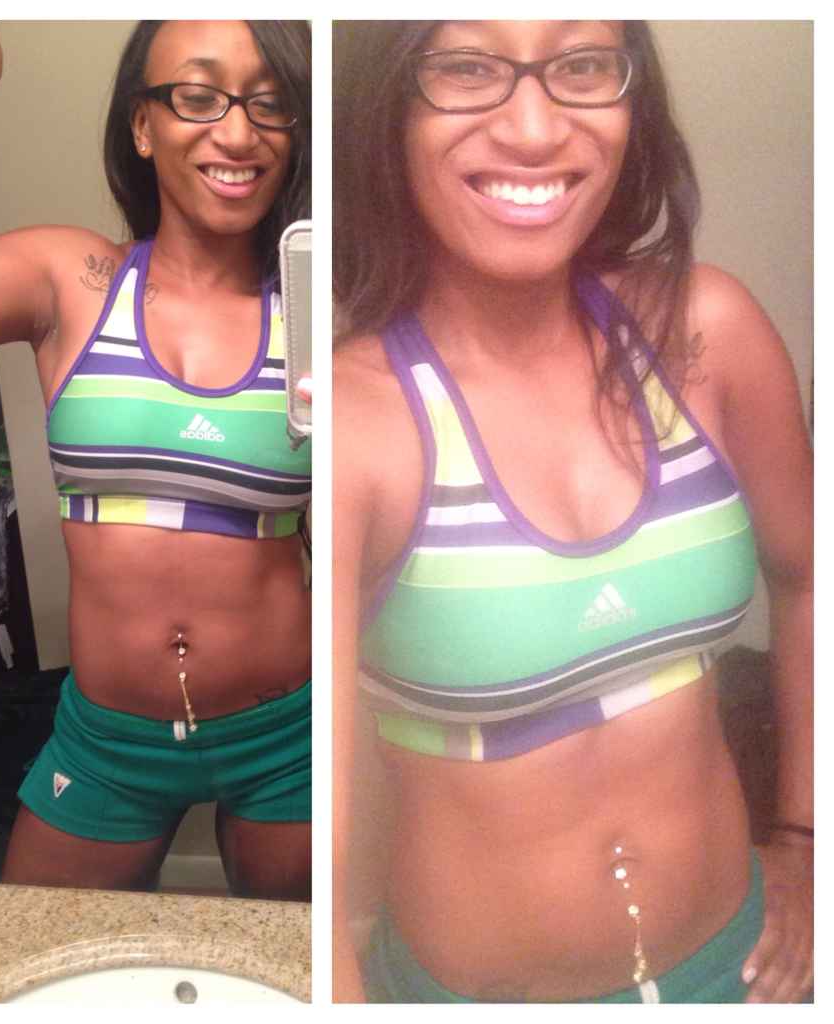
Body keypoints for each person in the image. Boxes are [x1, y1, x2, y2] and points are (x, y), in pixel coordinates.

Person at [333, 20, 812, 1001]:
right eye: (467, 66)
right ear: (388, 107)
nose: (535, 128)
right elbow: (329, 826)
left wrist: (808, 837)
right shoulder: (356, 424)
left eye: (583, 65)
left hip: (743, 965)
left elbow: (810, 578)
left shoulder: (708, 332)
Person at [0, 19, 312, 899]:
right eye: (198, 96)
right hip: (107, 744)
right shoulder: (73, 280)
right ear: (143, 124)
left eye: (269, 103)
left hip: (288, 737)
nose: (239, 131)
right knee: (42, 954)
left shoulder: (315, 308)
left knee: (290, 961)